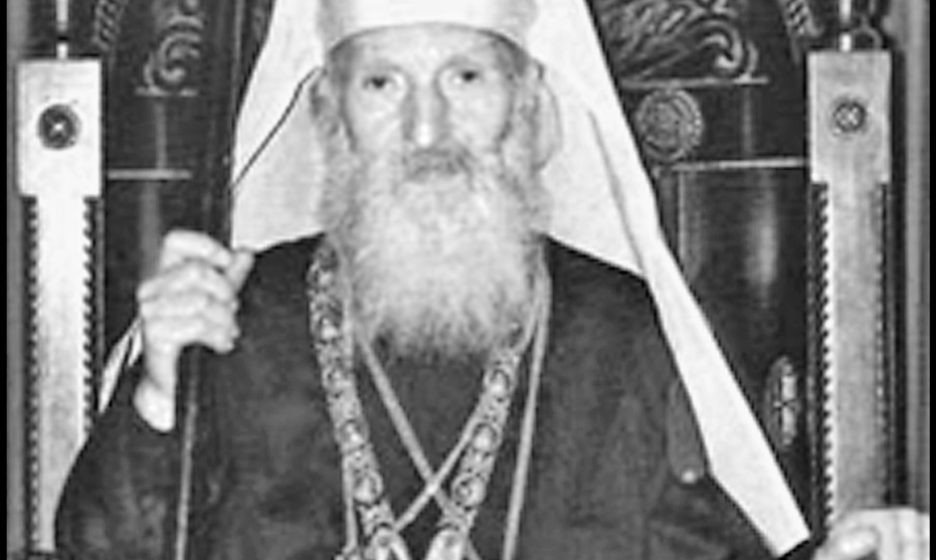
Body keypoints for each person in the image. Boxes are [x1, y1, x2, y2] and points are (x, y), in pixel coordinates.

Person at [56, 0, 928, 559]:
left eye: (466, 77)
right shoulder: (238, 313)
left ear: (527, 101)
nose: (426, 129)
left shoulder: (611, 324)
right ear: (329, 112)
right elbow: (102, 549)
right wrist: (162, 388)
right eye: (383, 83)